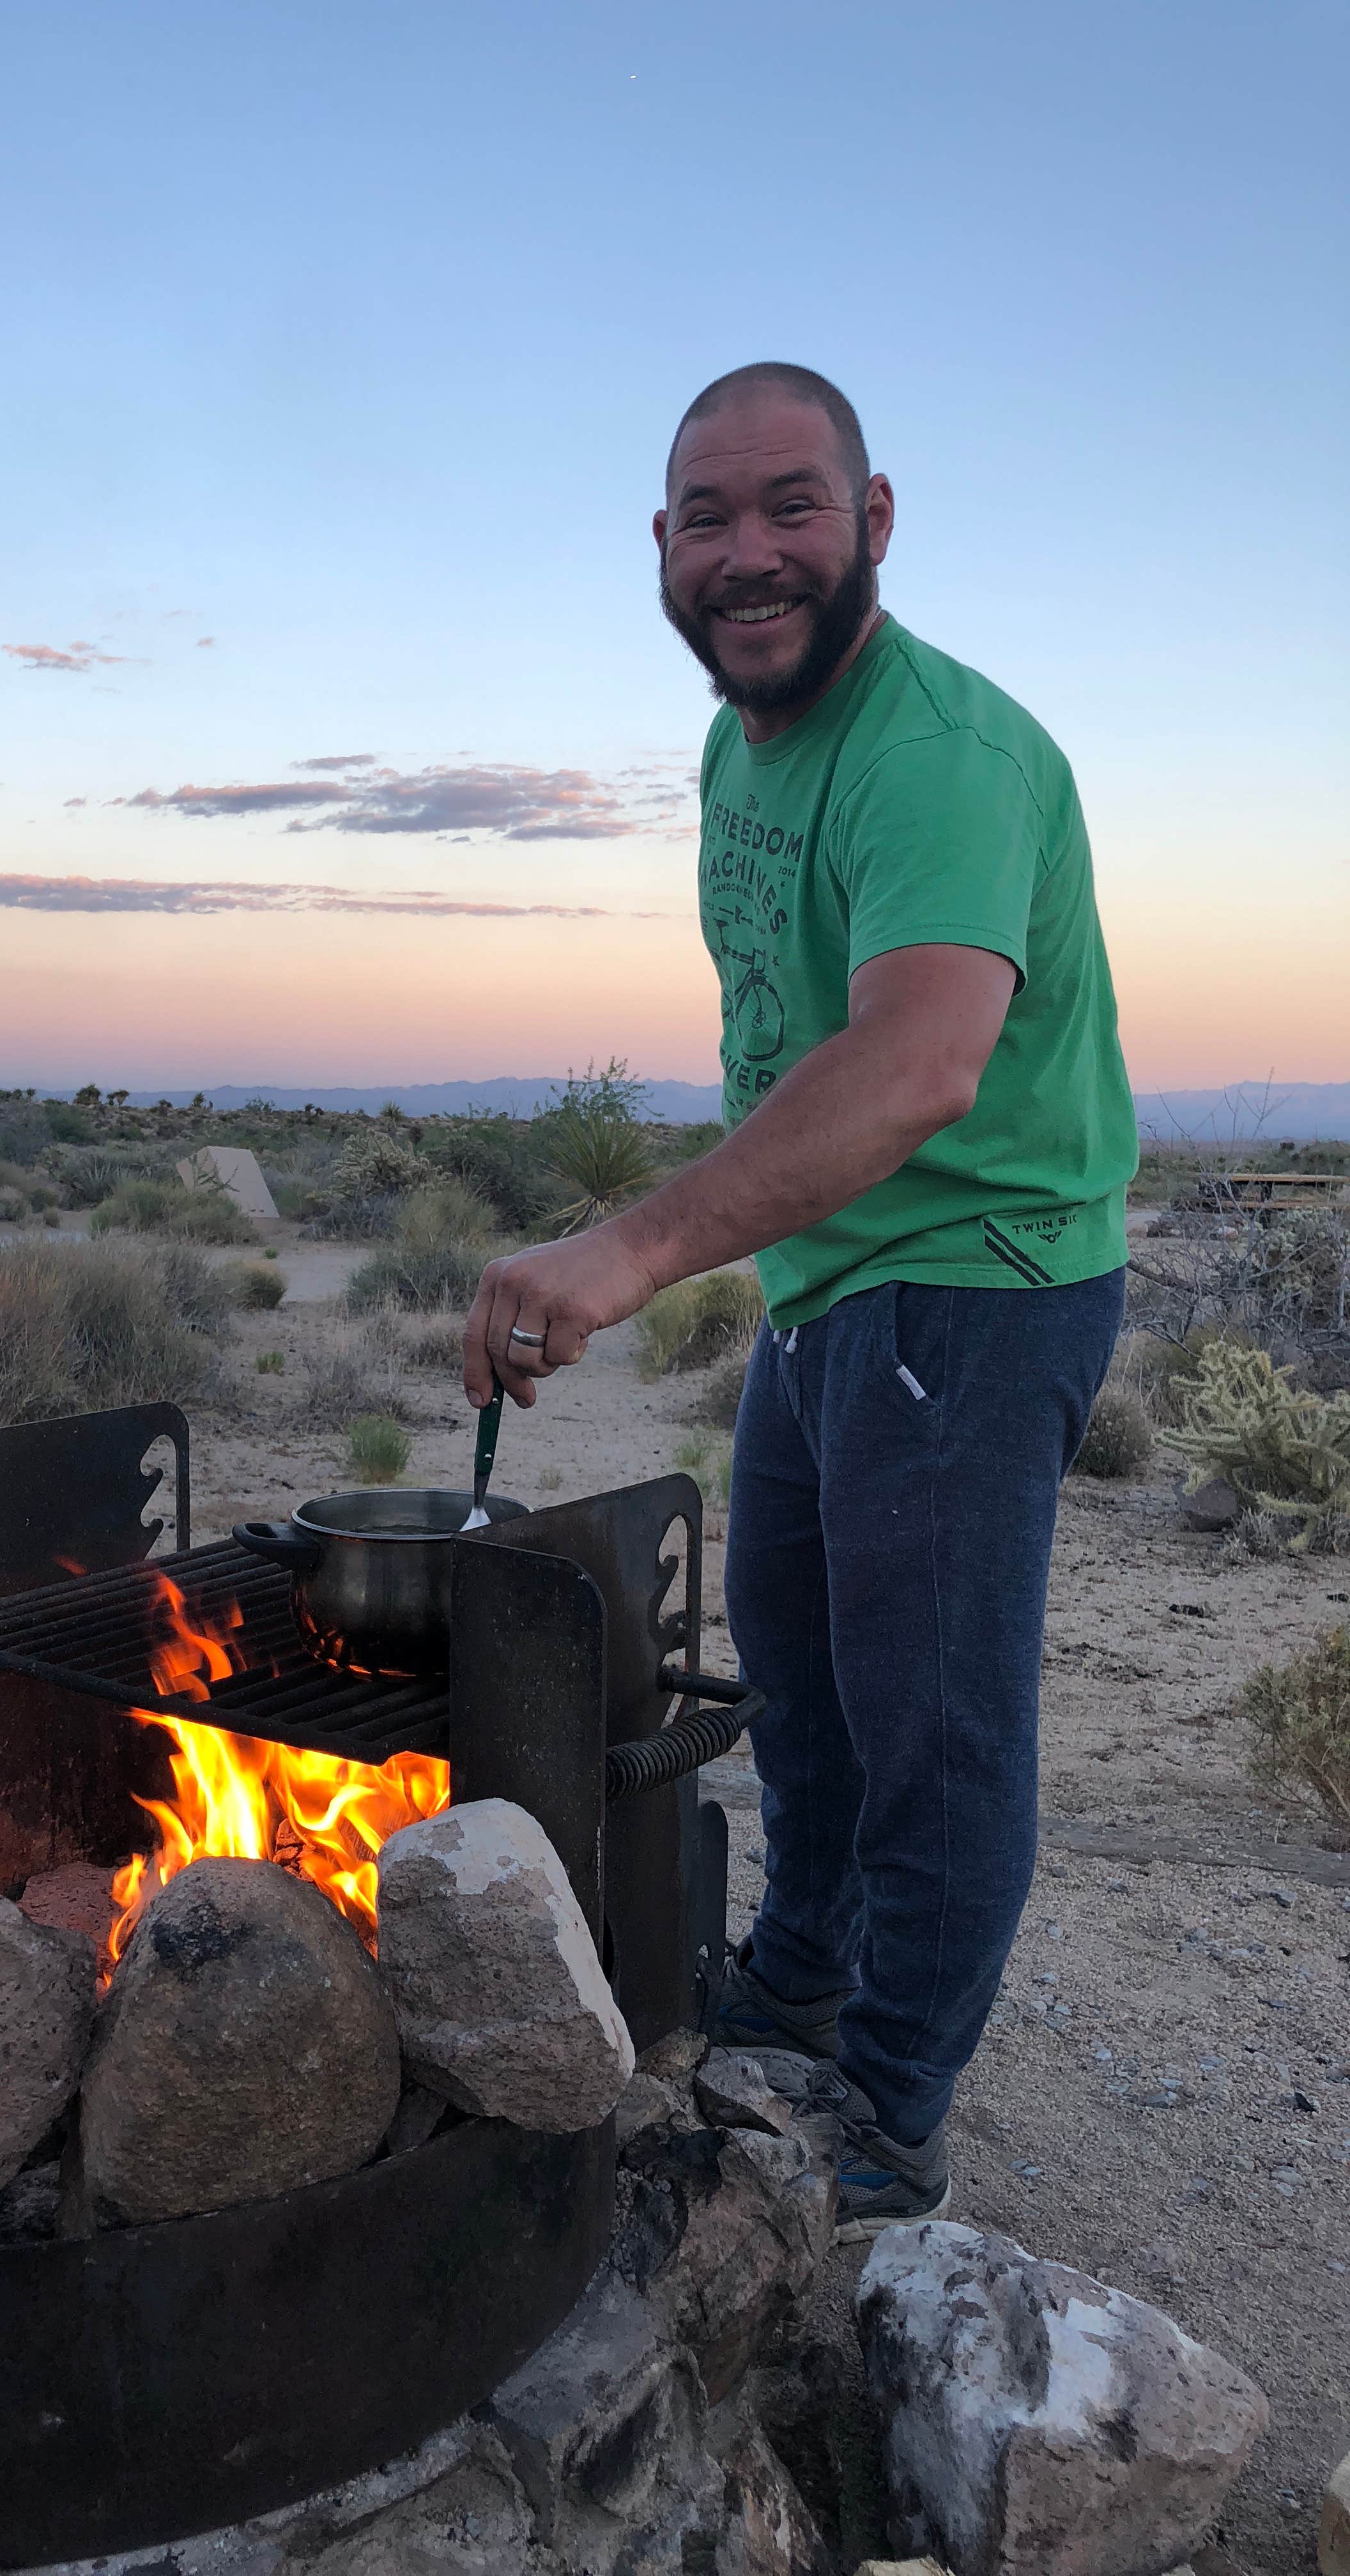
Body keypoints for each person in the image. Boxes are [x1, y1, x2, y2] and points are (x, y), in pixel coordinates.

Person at [462, 362, 1137, 2238]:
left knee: (935, 1724)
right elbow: (797, 1037)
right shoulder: (740, 737)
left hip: (982, 1284)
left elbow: (920, 1062)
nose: (747, 554)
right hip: (840, 1278)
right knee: (808, 1686)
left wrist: (628, 1247)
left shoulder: (939, 756)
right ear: (661, 548)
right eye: (708, 518)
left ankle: (892, 2110)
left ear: (876, 520)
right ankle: (808, 1977)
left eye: (791, 507)